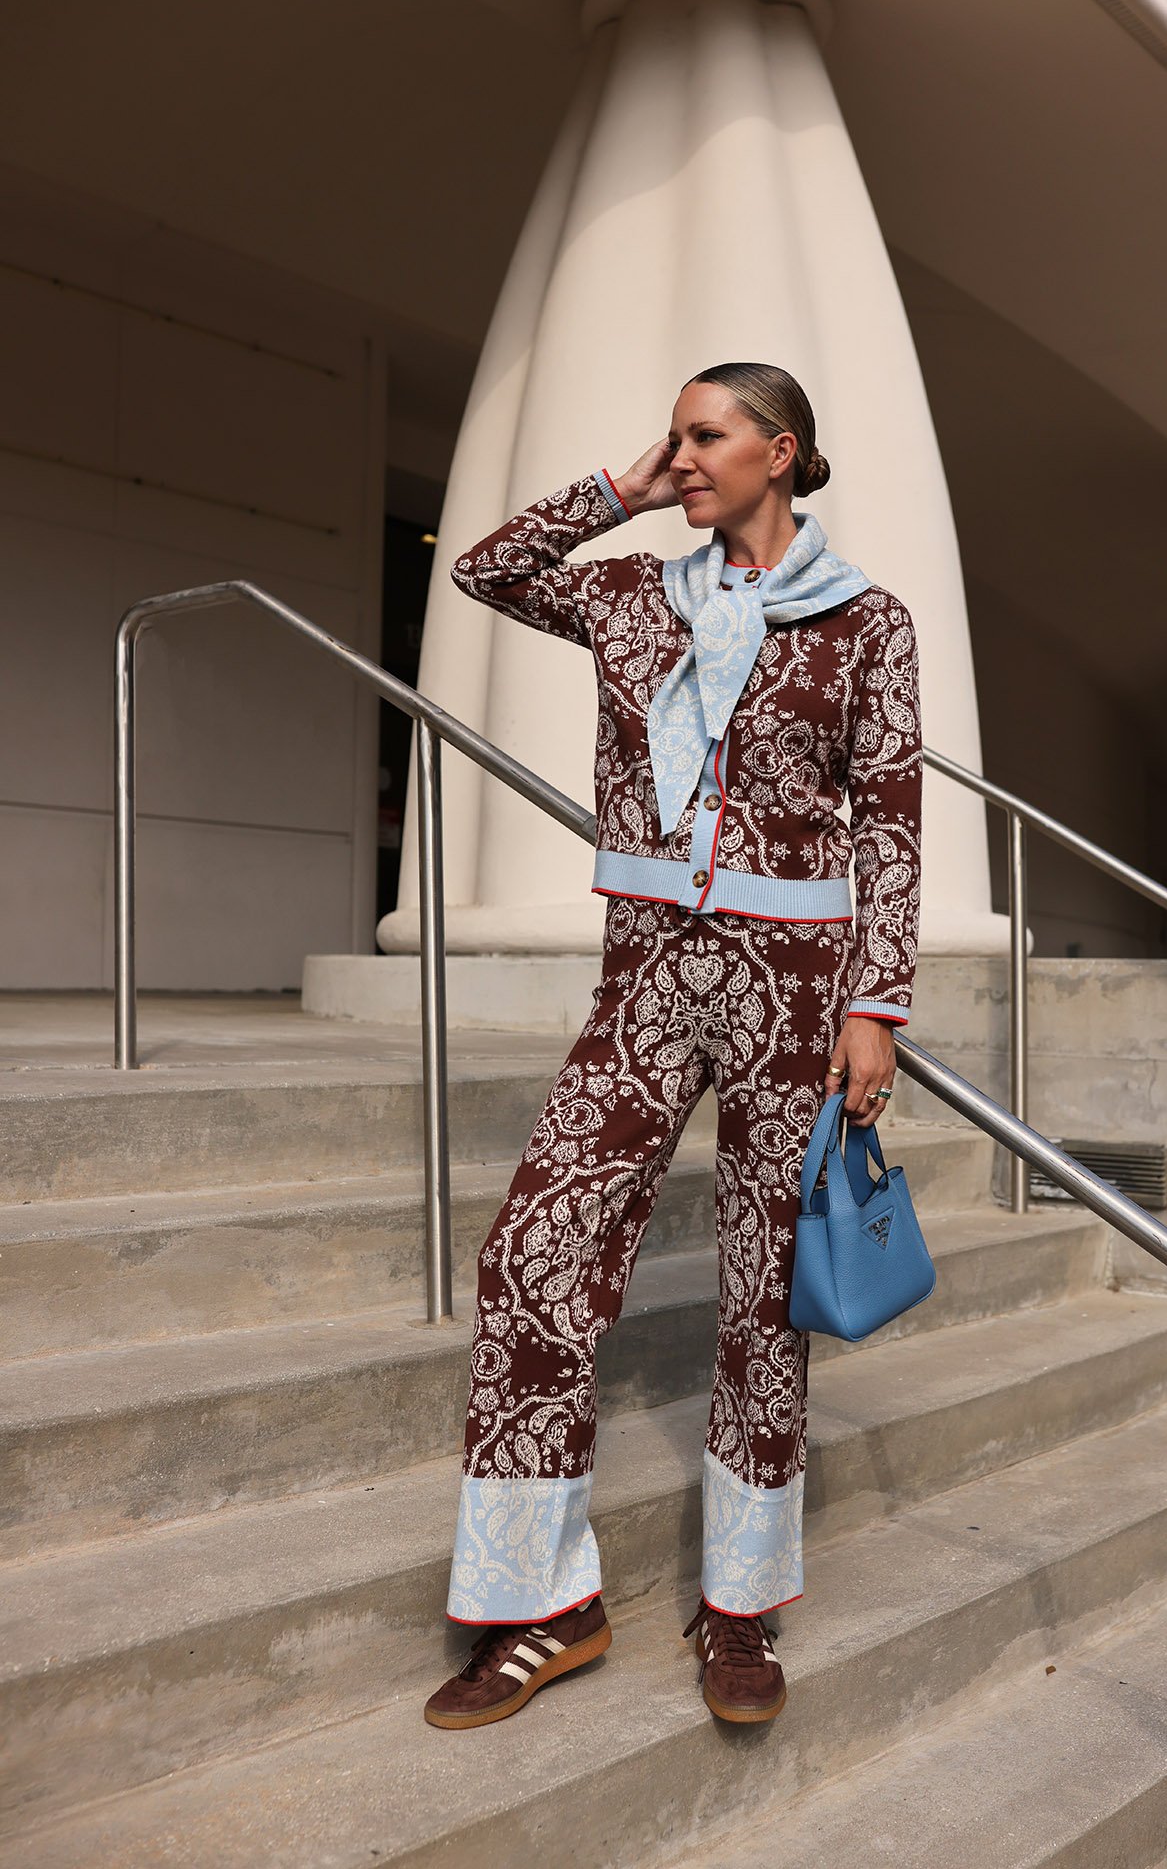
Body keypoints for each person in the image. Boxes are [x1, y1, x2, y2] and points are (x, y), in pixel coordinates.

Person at [423, 361, 922, 1731]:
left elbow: (888, 822)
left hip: (795, 987)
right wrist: (618, 490)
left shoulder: (867, 622)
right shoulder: (635, 594)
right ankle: (541, 1603)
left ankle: (741, 1607)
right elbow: (484, 569)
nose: (683, 455)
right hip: (646, 972)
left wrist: (876, 1004)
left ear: (782, 449)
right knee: (534, 1253)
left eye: (708, 436)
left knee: (765, 1295)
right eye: (676, 437)